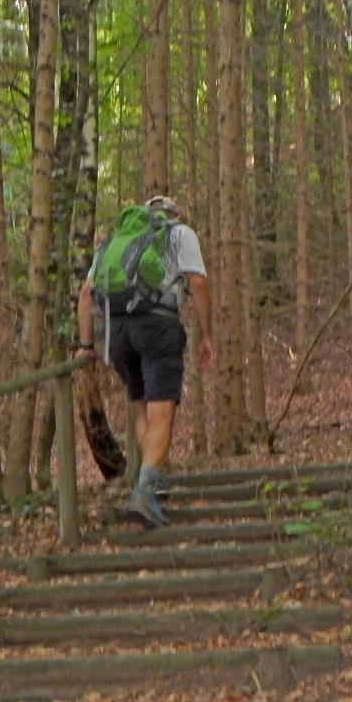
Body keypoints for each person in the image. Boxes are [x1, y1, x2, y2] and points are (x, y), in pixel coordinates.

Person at [78, 195, 214, 527]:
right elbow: (197, 282)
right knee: (162, 409)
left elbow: (85, 294)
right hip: (158, 326)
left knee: (140, 405)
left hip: (118, 330)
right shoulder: (179, 234)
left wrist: (84, 345)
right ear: (171, 215)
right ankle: (146, 492)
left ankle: (150, 479)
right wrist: (207, 333)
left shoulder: (114, 242)